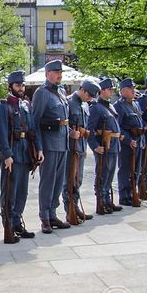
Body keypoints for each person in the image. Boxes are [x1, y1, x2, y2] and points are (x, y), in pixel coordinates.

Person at [0, 70, 40, 242]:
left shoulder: (26, 106)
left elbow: (33, 130)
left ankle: (17, 222)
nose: (21, 88)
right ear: (10, 86)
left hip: (25, 153)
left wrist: (39, 149)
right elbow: (0, 133)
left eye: (22, 85)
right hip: (12, 154)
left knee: (22, 192)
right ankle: (8, 225)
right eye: (17, 85)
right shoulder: (3, 106)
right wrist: (6, 155)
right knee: (9, 192)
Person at [31, 60, 70, 234]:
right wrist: (39, 147)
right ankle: (44, 217)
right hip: (49, 144)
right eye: (55, 72)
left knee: (58, 181)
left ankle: (53, 213)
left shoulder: (61, 92)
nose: (59, 75)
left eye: (60, 72)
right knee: (47, 181)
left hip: (63, 143)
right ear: (47, 74)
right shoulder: (42, 93)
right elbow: (35, 122)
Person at [62, 79, 100, 222]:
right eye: (89, 95)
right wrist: (72, 131)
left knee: (78, 180)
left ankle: (75, 206)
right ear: (82, 90)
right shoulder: (69, 102)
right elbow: (63, 123)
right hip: (71, 148)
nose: (90, 98)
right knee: (69, 180)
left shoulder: (85, 105)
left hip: (81, 147)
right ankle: (69, 209)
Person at [87, 78, 123, 214]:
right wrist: (95, 146)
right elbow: (89, 129)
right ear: (101, 91)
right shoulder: (96, 108)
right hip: (103, 145)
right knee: (102, 174)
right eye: (109, 89)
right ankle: (101, 201)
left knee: (109, 175)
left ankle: (107, 200)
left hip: (113, 145)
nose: (111, 91)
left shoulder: (110, 106)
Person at [114, 78, 144, 206]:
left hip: (138, 141)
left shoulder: (136, 104)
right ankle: (124, 195)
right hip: (127, 143)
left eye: (133, 88)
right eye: (130, 88)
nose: (133, 90)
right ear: (122, 91)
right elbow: (117, 127)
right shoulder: (118, 106)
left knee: (137, 168)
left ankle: (132, 192)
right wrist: (127, 140)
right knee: (125, 169)